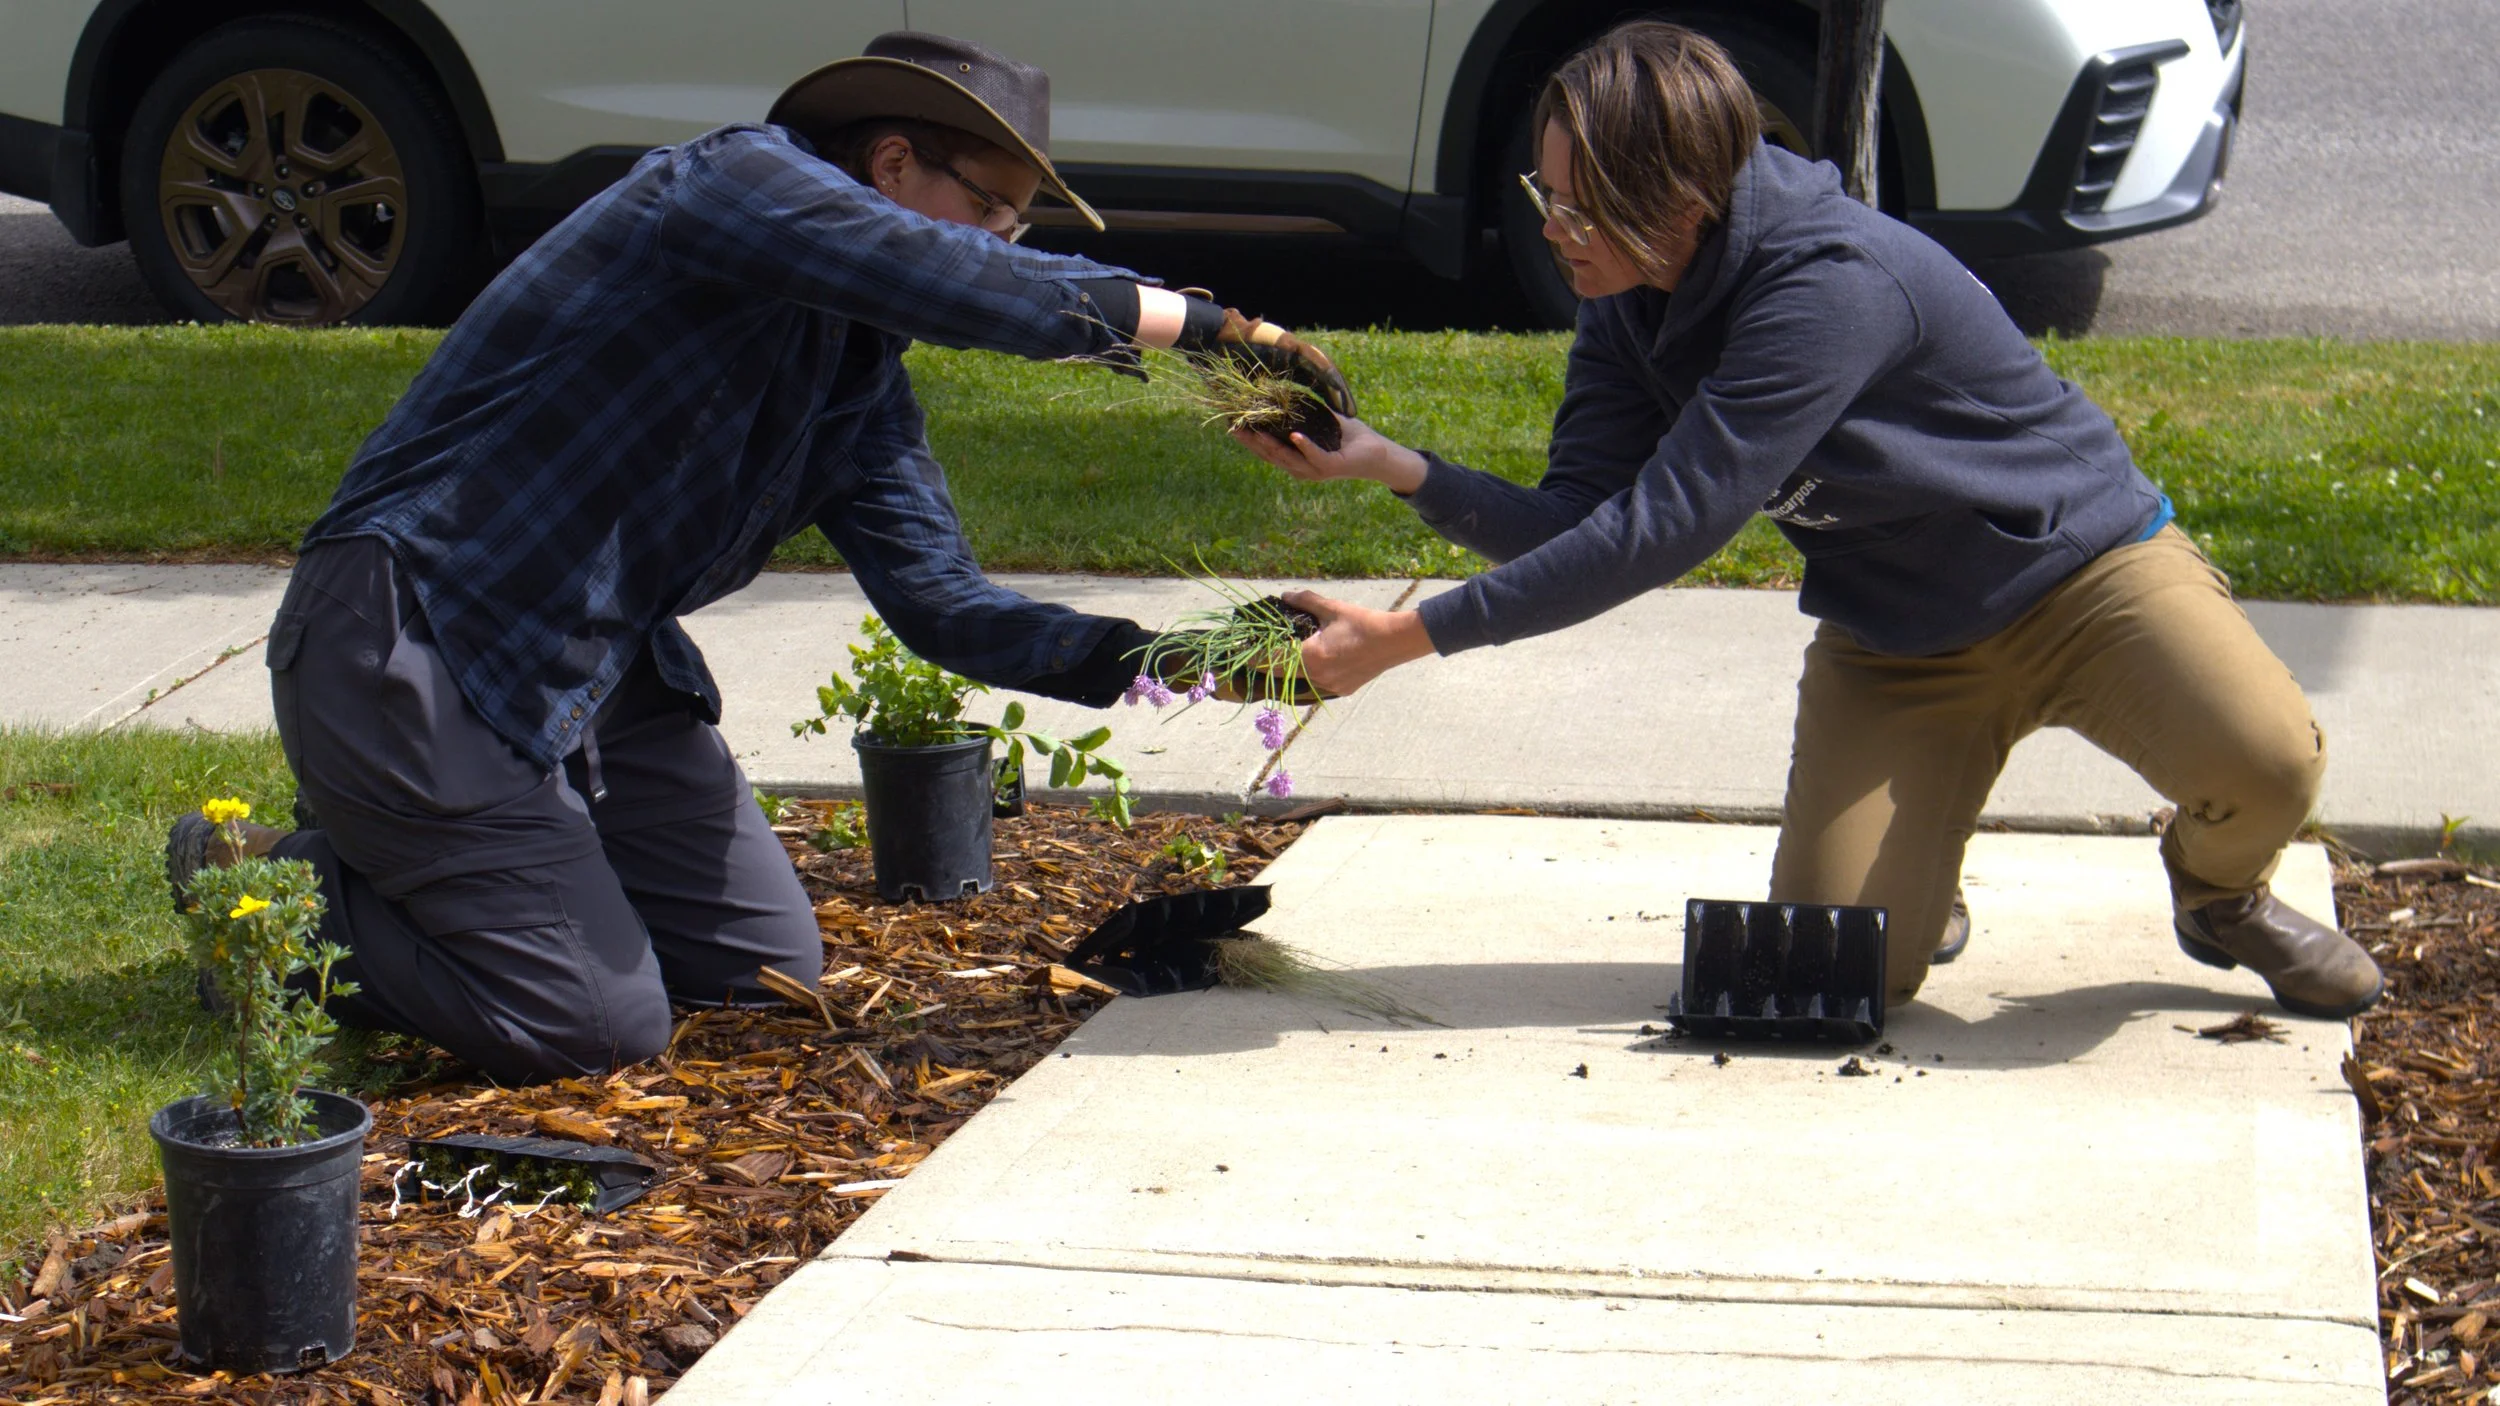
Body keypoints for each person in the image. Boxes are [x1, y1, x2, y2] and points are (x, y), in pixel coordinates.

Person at [164, 32, 1351, 1084]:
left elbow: (947, 608)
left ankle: (477, 874)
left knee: (764, 968)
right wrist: (1209, 326)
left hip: (595, 672)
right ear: (891, 166)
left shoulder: (854, 385)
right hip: (416, 637)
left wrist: (1190, 659)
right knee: (589, 1024)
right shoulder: (727, 181)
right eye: (996, 210)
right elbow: (968, 288)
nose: (1007, 243)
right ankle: (255, 882)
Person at [1235, 20, 2379, 1020]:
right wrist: (1396, 466)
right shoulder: (1626, 302)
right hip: (1900, 638)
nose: (1555, 230)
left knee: (2268, 762)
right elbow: (1577, 523)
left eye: (1585, 208)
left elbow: (1665, 527)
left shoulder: (1826, 284)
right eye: (1548, 198)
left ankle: (2219, 893)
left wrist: (1411, 635)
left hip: (2081, 576)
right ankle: (1922, 863)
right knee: (1851, 965)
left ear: (1681, 201)